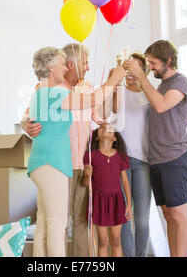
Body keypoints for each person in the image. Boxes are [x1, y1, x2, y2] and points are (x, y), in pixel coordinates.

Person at [27, 46, 126, 257]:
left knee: (45, 224)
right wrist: (114, 78)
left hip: (49, 163)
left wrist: (110, 87)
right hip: (52, 164)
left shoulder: (46, 92)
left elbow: (96, 110)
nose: (66, 67)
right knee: (57, 224)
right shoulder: (53, 92)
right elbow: (92, 100)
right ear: (51, 67)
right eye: (62, 64)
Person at [21, 43, 96, 257]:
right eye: (84, 62)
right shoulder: (47, 90)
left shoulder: (87, 87)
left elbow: (100, 117)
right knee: (57, 224)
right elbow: (27, 115)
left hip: (78, 163)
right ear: (69, 64)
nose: (88, 67)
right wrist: (27, 123)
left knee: (73, 222)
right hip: (55, 163)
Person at [124, 40, 187, 257]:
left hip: (175, 158)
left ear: (168, 60)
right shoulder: (160, 85)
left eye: (153, 63)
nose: (150, 67)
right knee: (168, 215)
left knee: (179, 214)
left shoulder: (180, 82)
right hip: (156, 160)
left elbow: (161, 105)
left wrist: (141, 76)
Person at [113, 52, 152, 257]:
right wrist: (117, 79)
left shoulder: (149, 94)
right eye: (128, 68)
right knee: (125, 216)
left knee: (143, 218)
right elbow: (111, 108)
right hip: (123, 161)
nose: (131, 72)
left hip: (145, 161)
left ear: (143, 71)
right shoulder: (120, 92)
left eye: (135, 67)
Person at [81, 123, 132, 257]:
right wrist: (86, 175)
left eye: (110, 128)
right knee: (103, 241)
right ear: (96, 137)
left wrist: (129, 205)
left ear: (115, 138)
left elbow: (125, 182)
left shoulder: (120, 156)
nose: (105, 129)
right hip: (99, 202)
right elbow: (85, 184)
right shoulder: (90, 156)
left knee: (115, 241)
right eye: (102, 127)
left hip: (117, 201)